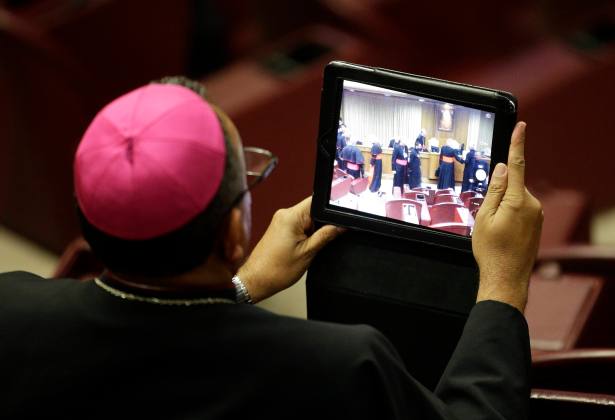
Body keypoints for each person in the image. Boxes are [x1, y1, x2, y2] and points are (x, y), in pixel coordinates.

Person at [0, 77, 543, 420]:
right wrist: (502, 282)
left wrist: (242, 288)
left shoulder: (12, 309)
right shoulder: (340, 367)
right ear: (236, 232)